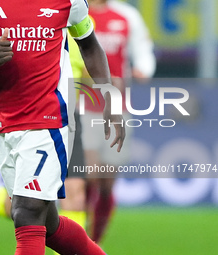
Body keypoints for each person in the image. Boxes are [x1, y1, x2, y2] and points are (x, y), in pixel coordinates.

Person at [0, 0, 125, 254]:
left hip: (50, 118)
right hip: (6, 123)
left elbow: (89, 45)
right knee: (47, 224)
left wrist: (110, 97)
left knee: (27, 213)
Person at [65, 0, 156, 243]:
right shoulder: (73, 10)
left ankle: (95, 240)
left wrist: (143, 70)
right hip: (83, 107)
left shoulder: (126, 16)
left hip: (117, 109)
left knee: (106, 184)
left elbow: (143, 50)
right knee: (88, 177)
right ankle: (81, 241)